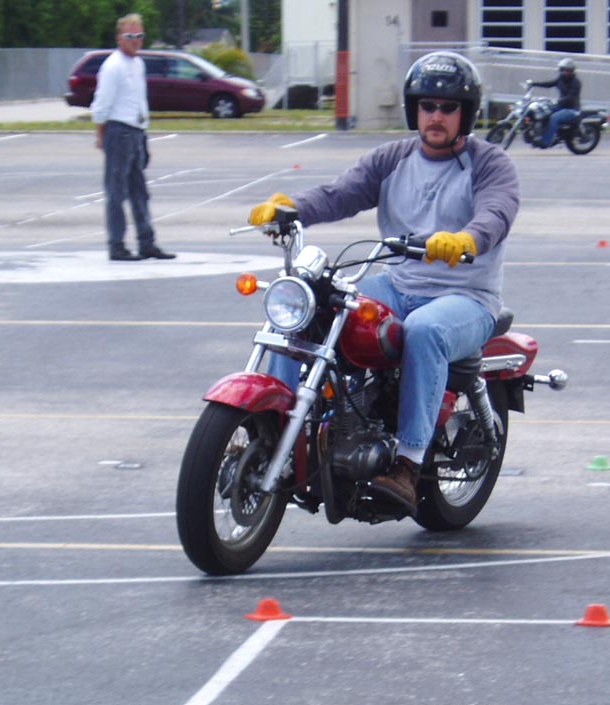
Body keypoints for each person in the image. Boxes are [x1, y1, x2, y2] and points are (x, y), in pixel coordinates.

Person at [247, 51, 520, 513]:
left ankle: (408, 462)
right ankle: (275, 428)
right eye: (428, 106)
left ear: (466, 114)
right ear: (415, 109)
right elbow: (341, 193)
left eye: (448, 107)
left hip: (467, 296)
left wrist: (466, 239)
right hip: (398, 284)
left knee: (425, 330)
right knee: (309, 303)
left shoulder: (490, 163)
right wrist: (291, 208)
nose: (436, 116)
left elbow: (497, 212)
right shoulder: (393, 158)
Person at [90, 12, 175, 261]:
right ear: (119, 38)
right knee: (116, 192)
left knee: (140, 192)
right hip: (119, 131)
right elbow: (102, 104)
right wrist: (101, 134)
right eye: (130, 36)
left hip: (136, 132)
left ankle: (146, 242)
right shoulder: (113, 66)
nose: (135, 40)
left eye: (139, 35)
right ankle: (116, 245)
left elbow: (138, 101)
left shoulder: (138, 64)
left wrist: (143, 134)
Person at [532, 57, 581, 148]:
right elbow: (549, 84)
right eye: (562, 70)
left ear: (571, 71)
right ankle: (538, 134)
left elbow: (571, 97)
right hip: (561, 106)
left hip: (572, 109)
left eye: (566, 71)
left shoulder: (576, 82)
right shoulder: (561, 79)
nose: (564, 72)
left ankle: (546, 142)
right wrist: (534, 84)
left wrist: (559, 100)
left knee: (554, 117)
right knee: (543, 111)